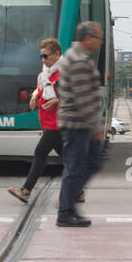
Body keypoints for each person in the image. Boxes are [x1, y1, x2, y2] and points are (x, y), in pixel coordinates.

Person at [56, 22, 106, 226]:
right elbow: (83, 98)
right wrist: (95, 127)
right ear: (87, 39)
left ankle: (68, 205)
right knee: (76, 167)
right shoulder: (77, 60)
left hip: (79, 123)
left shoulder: (79, 56)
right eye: (98, 38)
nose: (100, 43)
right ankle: (65, 211)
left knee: (87, 164)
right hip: (78, 125)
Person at [9, 39, 65, 203]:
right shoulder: (46, 73)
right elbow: (41, 88)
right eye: (41, 56)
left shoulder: (64, 73)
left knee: (40, 153)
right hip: (48, 121)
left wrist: (56, 101)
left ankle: (26, 190)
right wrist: (35, 95)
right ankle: (77, 191)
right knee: (68, 158)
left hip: (57, 123)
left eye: (45, 56)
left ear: (56, 54)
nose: (43, 60)